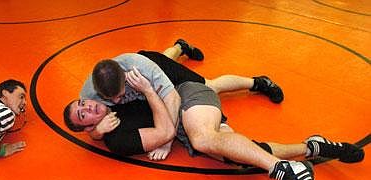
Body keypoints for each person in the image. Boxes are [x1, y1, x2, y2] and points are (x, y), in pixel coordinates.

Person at [64, 69, 365, 180]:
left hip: (181, 92)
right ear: (89, 126)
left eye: (83, 103)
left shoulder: (109, 81)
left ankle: (284, 165)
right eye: (84, 115)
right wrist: (98, 135)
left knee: (205, 124)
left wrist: (166, 134)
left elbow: (156, 70)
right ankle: (314, 147)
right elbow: (160, 133)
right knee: (235, 154)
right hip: (181, 118)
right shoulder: (115, 135)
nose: (88, 107)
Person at [67, 39, 284, 160]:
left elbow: (172, 99)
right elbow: (90, 128)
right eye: (112, 99)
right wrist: (98, 130)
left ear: (126, 78)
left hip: (153, 66)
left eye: (121, 94)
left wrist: (167, 141)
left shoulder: (141, 68)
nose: (118, 100)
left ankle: (257, 82)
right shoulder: (89, 94)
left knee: (209, 85)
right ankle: (181, 47)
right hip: (147, 69)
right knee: (159, 68)